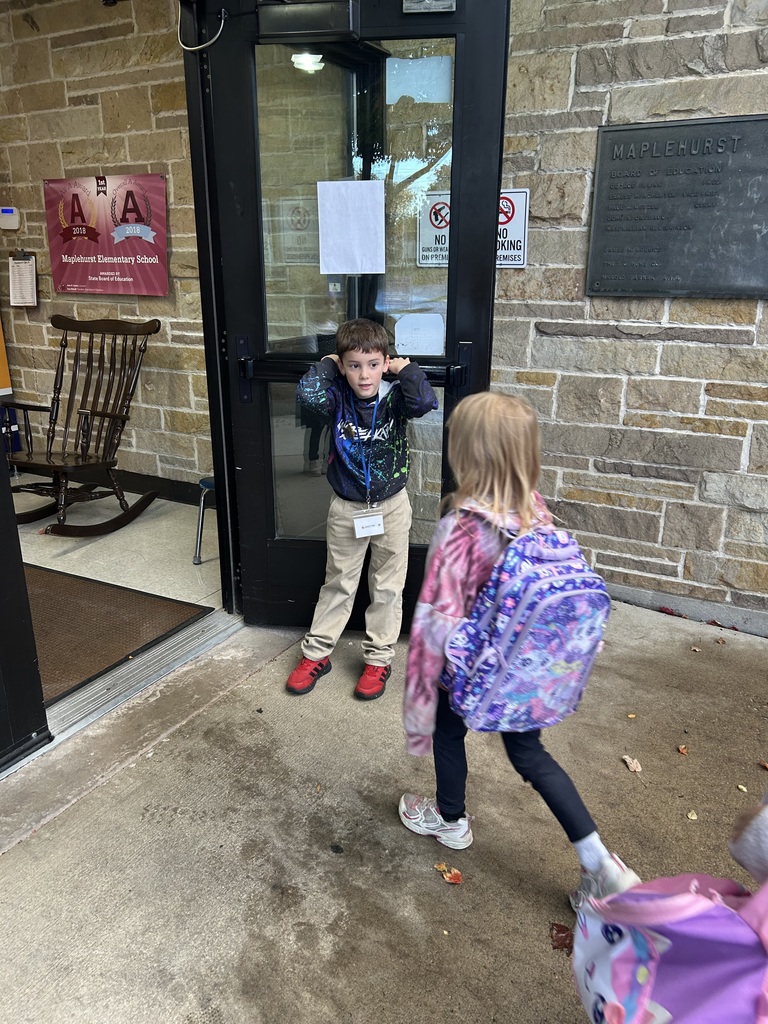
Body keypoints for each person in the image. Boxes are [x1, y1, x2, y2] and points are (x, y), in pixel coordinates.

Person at [399, 391, 641, 908]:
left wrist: (420, 700)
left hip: (469, 669)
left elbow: (436, 621)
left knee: (446, 731)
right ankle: (598, 861)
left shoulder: (461, 528)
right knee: (529, 754)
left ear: (466, 455)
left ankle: (451, 820)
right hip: (524, 669)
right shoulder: (534, 508)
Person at [286, 317, 438, 701]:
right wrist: (326, 364)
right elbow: (307, 397)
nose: (364, 375)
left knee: (388, 585)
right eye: (354, 365)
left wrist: (407, 370)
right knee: (339, 581)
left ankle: (379, 658)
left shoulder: (396, 398)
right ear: (342, 366)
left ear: (384, 362)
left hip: (390, 507)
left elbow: (425, 402)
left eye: (373, 364)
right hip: (347, 508)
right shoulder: (337, 396)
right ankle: (316, 654)